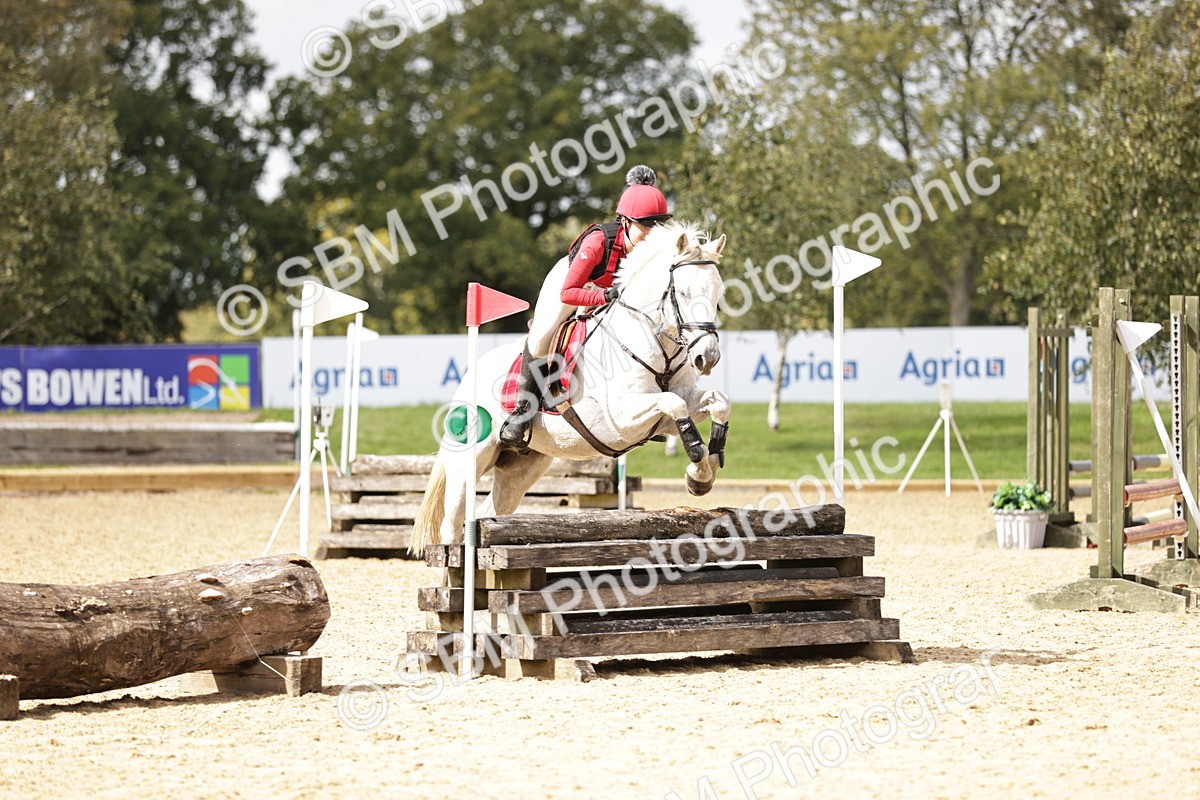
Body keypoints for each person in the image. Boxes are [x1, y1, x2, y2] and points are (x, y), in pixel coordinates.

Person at [498, 165, 672, 448]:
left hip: (606, 291)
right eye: (644, 225)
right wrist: (603, 297)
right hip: (570, 284)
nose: (651, 233)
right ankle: (521, 413)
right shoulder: (597, 242)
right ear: (625, 221)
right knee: (542, 336)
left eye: (657, 225)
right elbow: (569, 292)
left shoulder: (651, 250)